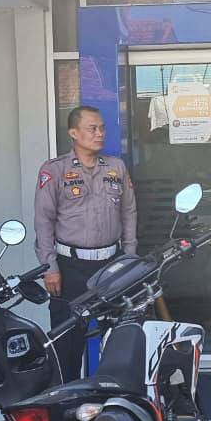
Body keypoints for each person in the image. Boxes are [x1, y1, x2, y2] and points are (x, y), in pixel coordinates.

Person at [34, 105, 137, 382]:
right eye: (92, 128)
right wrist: (49, 267)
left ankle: (112, 400)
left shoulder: (115, 167)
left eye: (102, 128)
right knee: (67, 345)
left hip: (111, 267)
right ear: (73, 133)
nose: (99, 133)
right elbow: (43, 221)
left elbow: (129, 213)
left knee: (118, 341)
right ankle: (65, 400)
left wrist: (129, 259)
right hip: (69, 268)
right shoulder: (54, 170)